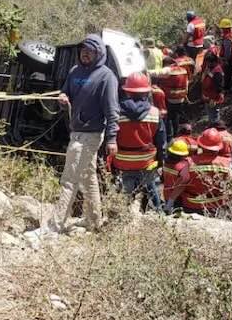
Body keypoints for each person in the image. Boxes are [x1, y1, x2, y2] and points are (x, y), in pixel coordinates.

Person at [50, 34, 119, 232]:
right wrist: (63, 98)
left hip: (90, 134)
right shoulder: (75, 71)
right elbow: (66, 92)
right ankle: (94, 220)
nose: (85, 54)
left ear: (99, 53)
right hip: (76, 131)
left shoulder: (106, 77)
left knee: (69, 179)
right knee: (88, 176)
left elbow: (112, 111)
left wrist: (112, 138)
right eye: (83, 50)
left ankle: (55, 225)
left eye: (90, 51)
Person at [113, 72, 166, 213]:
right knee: (151, 187)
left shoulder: (116, 112)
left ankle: (122, 215)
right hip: (146, 161)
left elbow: (110, 138)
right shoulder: (155, 113)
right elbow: (161, 142)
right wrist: (160, 162)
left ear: (127, 92)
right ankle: (158, 213)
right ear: (146, 92)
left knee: (125, 192)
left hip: (122, 161)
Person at [164, 128, 232, 214]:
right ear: (219, 146)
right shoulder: (227, 163)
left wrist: (170, 203)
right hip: (216, 207)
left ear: (201, 145)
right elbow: (231, 185)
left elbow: (182, 183)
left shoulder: (189, 162)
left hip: (192, 206)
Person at [153, 54, 189, 132]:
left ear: (166, 64)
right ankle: (176, 132)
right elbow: (186, 83)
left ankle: (170, 134)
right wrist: (185, 94)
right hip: (180, 97)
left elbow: (155, 73)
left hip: (170, 98)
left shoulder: (167, 70)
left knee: (169, 117)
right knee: (176, 116)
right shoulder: (183, 70)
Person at [162, 139, 193, 212]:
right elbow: (181, 185)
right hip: (177, 198)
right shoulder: (183, 166)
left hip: (166, 194)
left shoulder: (166, 163)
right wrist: (170, 202)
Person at [214, 18, 232, 91]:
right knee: (230, 72)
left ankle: (226, 88)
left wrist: (225, 60)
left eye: (222, 28)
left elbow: (227, 51)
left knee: (227, 73)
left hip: (230, 58)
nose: (221, 29)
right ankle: (229, 86)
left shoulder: (227, 37)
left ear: (225, 28)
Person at [200, 51, 225, 123]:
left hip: (213, 97)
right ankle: (212, 125)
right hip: (208, 96)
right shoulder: (210, 69)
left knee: (214, 114)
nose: (207, 64)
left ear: (214, 62)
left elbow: (219, 86)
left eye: (208, 62)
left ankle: (215, 126)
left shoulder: (217, 72)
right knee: (210, 113)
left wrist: (214, 99)